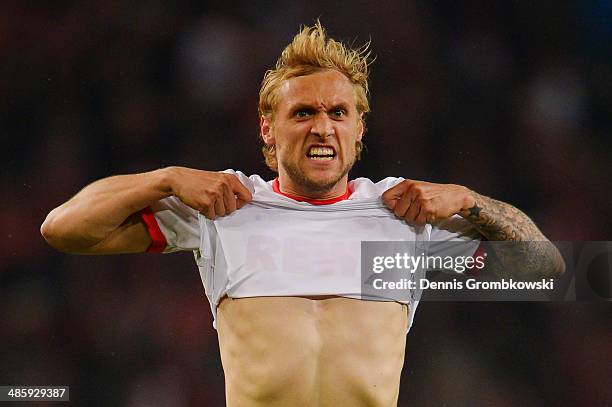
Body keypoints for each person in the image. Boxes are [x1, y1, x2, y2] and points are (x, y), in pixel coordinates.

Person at [41, 22, 564, 407]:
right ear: (268, 128)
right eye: (303, 112)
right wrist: (165, 178)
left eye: (339, 113)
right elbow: (63, 229)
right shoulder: (225, 209)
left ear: (360, 129)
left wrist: (470, 201)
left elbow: (546, 268)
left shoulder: (404, 217)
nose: (322, 127)